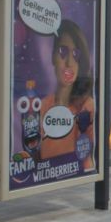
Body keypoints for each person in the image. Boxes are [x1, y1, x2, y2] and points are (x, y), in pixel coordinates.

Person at [39, 19, 96, 172]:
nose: (69, 62)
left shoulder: (86, 105)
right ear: (53, 57)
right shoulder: (44, 105)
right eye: (62, 52)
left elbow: (86, 157)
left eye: (75, 54)